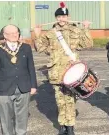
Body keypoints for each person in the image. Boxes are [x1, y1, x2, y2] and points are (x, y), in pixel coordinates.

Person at [33, 2, 92, 134]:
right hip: (57, 72)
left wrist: (86, 28)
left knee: (70, 100)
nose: (61, 19)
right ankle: (62, 126)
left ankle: (70, 127)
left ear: (68, 17)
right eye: (59, 17)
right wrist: (37, 34)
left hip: (72, 72)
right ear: (56, 18)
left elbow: (88, 44)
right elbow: (40, 47)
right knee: (60, 101)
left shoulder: (76, 30)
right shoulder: (51, 33)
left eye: (64, 16)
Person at [0, 24, 37, 135]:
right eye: (10, 33)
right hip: (4, 88)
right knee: (6, 117)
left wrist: (33, 85)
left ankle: (21, 133)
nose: (14, 35)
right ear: (5, 35)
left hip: (24, 86)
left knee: (22, 116)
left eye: (16, 32)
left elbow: (31, 67)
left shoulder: (26, 48)